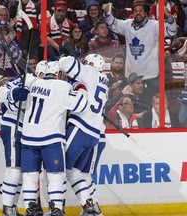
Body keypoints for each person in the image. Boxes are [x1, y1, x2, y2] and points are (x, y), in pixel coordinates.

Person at [19, 60, 87, 216]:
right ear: (59, 74)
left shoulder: (32, 82)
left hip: (28, 137)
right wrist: (80, 88)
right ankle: (56, 208)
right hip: (51, 138)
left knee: (30, 175)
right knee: (55, 175)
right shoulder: (62, 86)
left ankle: (30, 208)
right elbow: (81, 105)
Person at [58, 54, 108, 215]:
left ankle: (63, 208)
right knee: (77, 172)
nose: (84, 64)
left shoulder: (90, 73)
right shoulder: (104, 82)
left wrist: (67, 55)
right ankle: (93, 209)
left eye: (86, 63)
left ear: (92, 64)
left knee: (61, 168)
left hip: (81, 127)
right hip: (94, 134)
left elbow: (65, 63)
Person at [102, 0, 177, 96]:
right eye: (136, 11)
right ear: (133, 13)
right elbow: (113, 24)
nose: (138, 13)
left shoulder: (154, 25)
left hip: (150, 76)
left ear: (146, 13)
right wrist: (107, 12)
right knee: (128, 103)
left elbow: (172, 31)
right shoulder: (127, 25)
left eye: (141, 11)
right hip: (131, 75)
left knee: (151, 104)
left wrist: (168, 15)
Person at [0, 76, 29, 216]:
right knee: (14, 169)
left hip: (23, 129)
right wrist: (13, 93)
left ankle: (12, 208)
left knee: (20, 172)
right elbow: (0, 93)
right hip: (12, 127)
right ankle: (7, 209)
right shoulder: (24, 79)